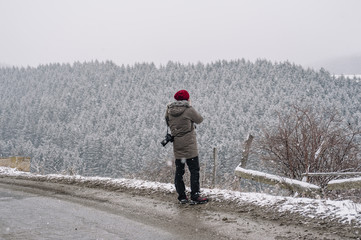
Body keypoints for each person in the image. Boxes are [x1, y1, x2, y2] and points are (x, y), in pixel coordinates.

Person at [165, 90, 208, 204]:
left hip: (178, 146)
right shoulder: (189, 110)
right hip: (190, 146)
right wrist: (191, 107)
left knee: (179, 171)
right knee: (194, 170)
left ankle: (182, 196)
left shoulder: (169, 110)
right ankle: (195, 195)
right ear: (187, 99)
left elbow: (169, 124)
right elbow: (199, 120)